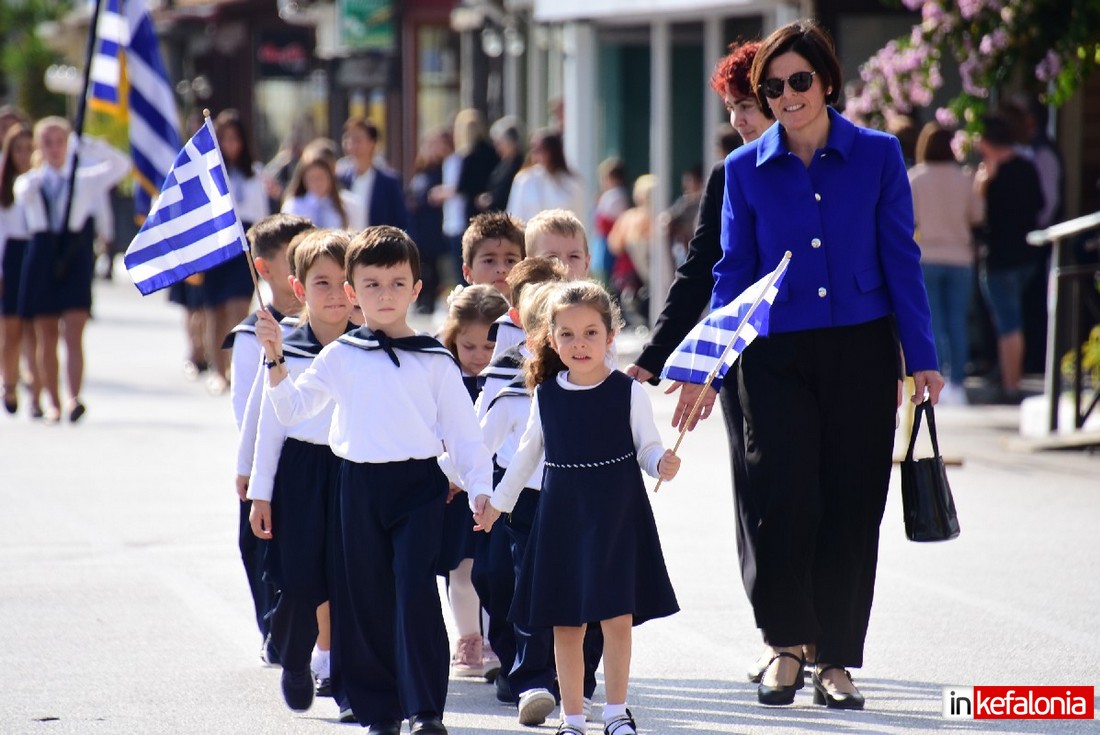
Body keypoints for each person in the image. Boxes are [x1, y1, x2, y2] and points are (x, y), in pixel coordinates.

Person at [709, 20, 942, 708]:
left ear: (828, 81)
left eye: (799, 80)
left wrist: (921, 356)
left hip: (862, 350)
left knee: (850, 503)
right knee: (783, 498)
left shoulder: (878, 155)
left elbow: (902, 258)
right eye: (772, 86)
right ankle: (785, 645)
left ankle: (836, 660)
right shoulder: (742, 171)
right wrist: (710, 362)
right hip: (772, 354)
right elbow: (733, 273)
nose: (786, 95)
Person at [256, 226, 495, 735]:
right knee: (364, 599)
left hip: (418, 489)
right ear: (352, 293)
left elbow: (463, 432)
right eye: (371, 285)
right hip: (357, 487)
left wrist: (481, 490)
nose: (384, 295)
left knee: (413, 590)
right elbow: (295, 408)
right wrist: (275, 358)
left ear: (416, 288)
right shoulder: (341, 355)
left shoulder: (434, 358)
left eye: (395, 283)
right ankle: (378, 711)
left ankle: (426, 710)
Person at [625, 39, 772, 683]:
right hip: (749, 357)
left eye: (747, 105)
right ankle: (783, 635)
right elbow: (702, 272)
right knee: (761, 497)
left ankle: (826, 642)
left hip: (833, 351)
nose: (738, 121)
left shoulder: (841, 164)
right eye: (732, 107)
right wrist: (659, 358)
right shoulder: (731, 173)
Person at [476, 281, 681, 735]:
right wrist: (496, 506)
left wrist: (661, 463)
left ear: (611, 337)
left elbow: (647, 450)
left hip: (616, 521)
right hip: (562, 522)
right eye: (567, 334)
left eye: (591, 332)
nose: (579, 343)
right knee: (564, 623)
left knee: (616, 618)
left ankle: (615, 711)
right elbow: (526, 456)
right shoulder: (546, 395)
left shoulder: (626, 391)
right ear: (552, 340)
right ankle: (571, 718)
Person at [246, 229, 355, 713]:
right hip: (301, 472)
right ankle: (294, 657)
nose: (335, 295)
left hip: (355, 470)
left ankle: (353, 685)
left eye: (345, 283)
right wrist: (260, 491)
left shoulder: (369, 343)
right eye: (322, 283)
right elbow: (269, 422)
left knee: (354, 580)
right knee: (300, 582)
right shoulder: (285, 344)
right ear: (298, 287)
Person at [230, 214, 315, 664]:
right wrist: (251, 467)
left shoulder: (322, 328)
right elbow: (248, 407)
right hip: (270, 460)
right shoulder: (252, 332)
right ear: (263, 269)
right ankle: (273, 629)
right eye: (292, 258)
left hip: (313, 461)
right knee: (262, 550)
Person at [15, 117, 129, 423]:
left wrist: (88, 144)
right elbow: (21, 193)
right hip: (43, 254)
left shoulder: (84, 179)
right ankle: (51, 400)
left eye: (60, 141)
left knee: (74, 332)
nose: (54, 149)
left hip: (74, 255)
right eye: (47, 143)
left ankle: (74, 397)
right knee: (46, 333)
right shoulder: (32, 183)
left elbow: (121, 165)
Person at [435, 284, 509, 680]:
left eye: (489, 347)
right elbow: (439, 433)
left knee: (495, 568)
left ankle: (495, 637)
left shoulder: (510, 381)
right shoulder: (445, 378)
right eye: (470, 347)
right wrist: (452, 474)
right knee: (462, 569)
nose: (481, 357)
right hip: (457, 487)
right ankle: (467, 639)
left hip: (503, 488)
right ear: (453, 339)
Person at [909, 122, 984, 405]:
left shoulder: (915, 178)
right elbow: (978, 215)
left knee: (934, 322)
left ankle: (936, 379)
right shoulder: (965, 178)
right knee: (958, 321)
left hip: (926, 255)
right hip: (960, 256)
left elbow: (908, 218)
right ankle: (958, 384)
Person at [974, 112, 1044, 403]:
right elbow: (1040, 204)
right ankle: (1010, 378)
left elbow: (977, 216)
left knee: (1008, 324)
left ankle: (1011, 384)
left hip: (1001, 257)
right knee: (1012, 321)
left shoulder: (991, 174)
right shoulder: (1027, 167)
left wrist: (982, 185)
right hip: (1026, 255)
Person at [204, 110, 270, 395]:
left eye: (235, 138)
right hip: (216, 243)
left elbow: (262, 214)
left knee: (238, 309)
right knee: (214, 312)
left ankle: (236, 369)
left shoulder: (254, 174)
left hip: (245, 242)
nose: (231, 144)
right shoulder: (209, 171)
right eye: (225, 138)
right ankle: (218, 371)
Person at [1, 123, 39, 417]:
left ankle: (37, 392)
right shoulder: (5, 189)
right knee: (11, 331)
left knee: (35, 330)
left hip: (36, 254)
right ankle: (10, 383)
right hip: (11, 257)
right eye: (19, 149)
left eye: (29, 148)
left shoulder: (41, 183)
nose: (24, 155)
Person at [338, 117, 409, 231]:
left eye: (358, 139)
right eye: (348, 138)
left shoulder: (389, 182)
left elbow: (400, 220)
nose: (352, 144)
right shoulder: (340, 179)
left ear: (372, 142)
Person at [407, 128, 450, 314]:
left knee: (433, 266)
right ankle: (422, 299)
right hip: (419, 225)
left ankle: (430, 300)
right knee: (422, 263)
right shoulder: (421, 170)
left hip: (434, 224)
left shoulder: (443, 170)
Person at [608, 174, 660, 325]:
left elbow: (615, 245)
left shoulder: (628, 217)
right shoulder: (661, 218)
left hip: (629, 275)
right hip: (645, 275)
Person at [507, 129, 586, 225]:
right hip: (530, 237)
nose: (538, 154)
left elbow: (579, 219)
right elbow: (515, 216)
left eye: (542, 149)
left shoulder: (571, 182)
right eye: (534, 150)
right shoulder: (525, 180)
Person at [459, 210, 525, 300]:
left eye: (510, 261)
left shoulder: (533, 312)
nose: (501, 269)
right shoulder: (461, 312)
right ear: (468, 272)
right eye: (489, 261)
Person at [281, 156, 360, 230]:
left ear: (330, 177)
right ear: (303, 179)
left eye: (321, 176)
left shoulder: (347, 204)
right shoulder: (293, 206)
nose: (317, 182)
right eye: (312, 178)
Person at [453, 109, 500, 224]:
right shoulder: (493, 152)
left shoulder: (468, 157)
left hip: (473, 207)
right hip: (490, 204)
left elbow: (461, 186)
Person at [592, 157, 630, 284]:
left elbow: (603, 221)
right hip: (607, 240)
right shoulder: (618, 194)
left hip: (610, 241)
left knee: (607, 277)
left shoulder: (614, 195)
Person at [479, 116, 525, 214]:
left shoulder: (522, 165)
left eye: (500, 143)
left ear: (511, 142)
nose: (497, 148)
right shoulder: (502, 165)